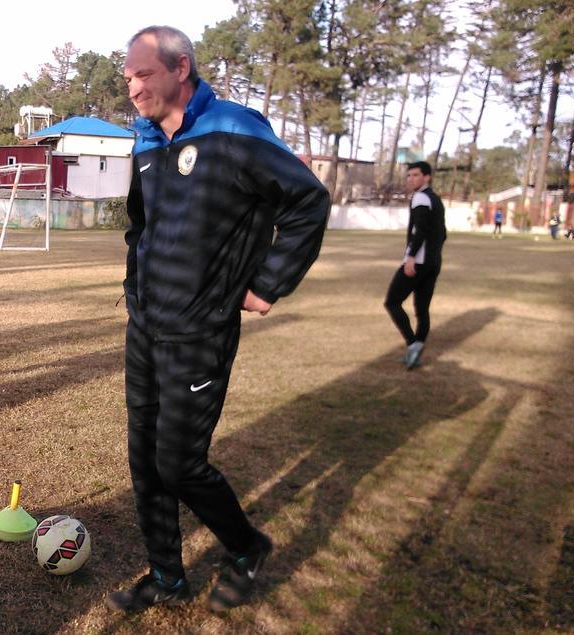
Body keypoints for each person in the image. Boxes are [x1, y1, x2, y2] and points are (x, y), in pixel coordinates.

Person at [108, 26, 330, 615]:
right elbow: (142, 226)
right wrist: (135, 288)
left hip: (199, 332)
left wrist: (268, 284)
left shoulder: (235, 129)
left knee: (178, 463)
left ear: (181, 69)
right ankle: (166, 576)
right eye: (127, 76)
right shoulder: (146, 142)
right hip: (146, 326)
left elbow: (307, 201)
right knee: (145, 462)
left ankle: (248, 546)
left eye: (142, 74)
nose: (132, 86)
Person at [383, 160, 446, 370]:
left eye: (415, 175)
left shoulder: (420, 197)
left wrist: (411, 257)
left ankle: (412, 344)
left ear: (426, 177)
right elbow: (442, 234)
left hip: (417, 261)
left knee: (392, 302)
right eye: (409, 175)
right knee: (422, 309)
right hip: (433, 261)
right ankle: (416, 351)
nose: (411, 179)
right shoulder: (436, 199)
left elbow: (419, 231)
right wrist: (432, 255)